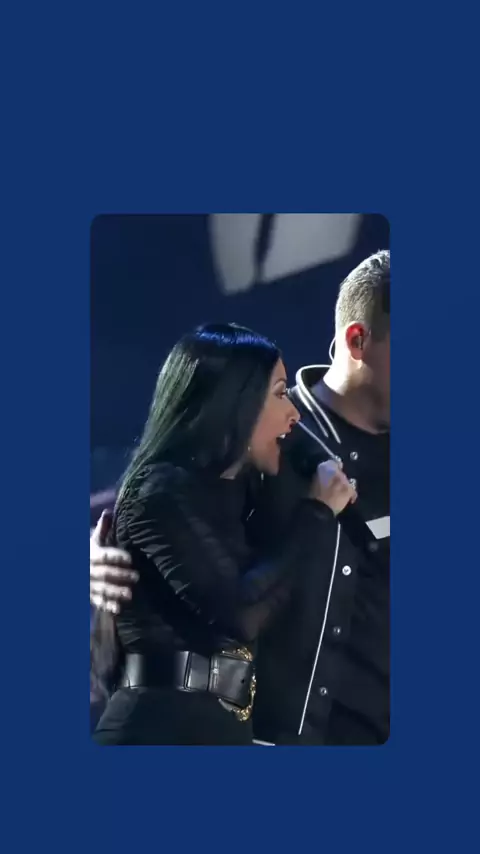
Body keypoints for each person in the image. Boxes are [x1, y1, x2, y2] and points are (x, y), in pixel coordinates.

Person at [91, 250, 390, 745]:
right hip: (231, 734)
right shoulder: (257, 452)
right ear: (358, 340)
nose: (289, 413)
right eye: (277, 395)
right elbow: (150, 516)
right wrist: (96, 559)